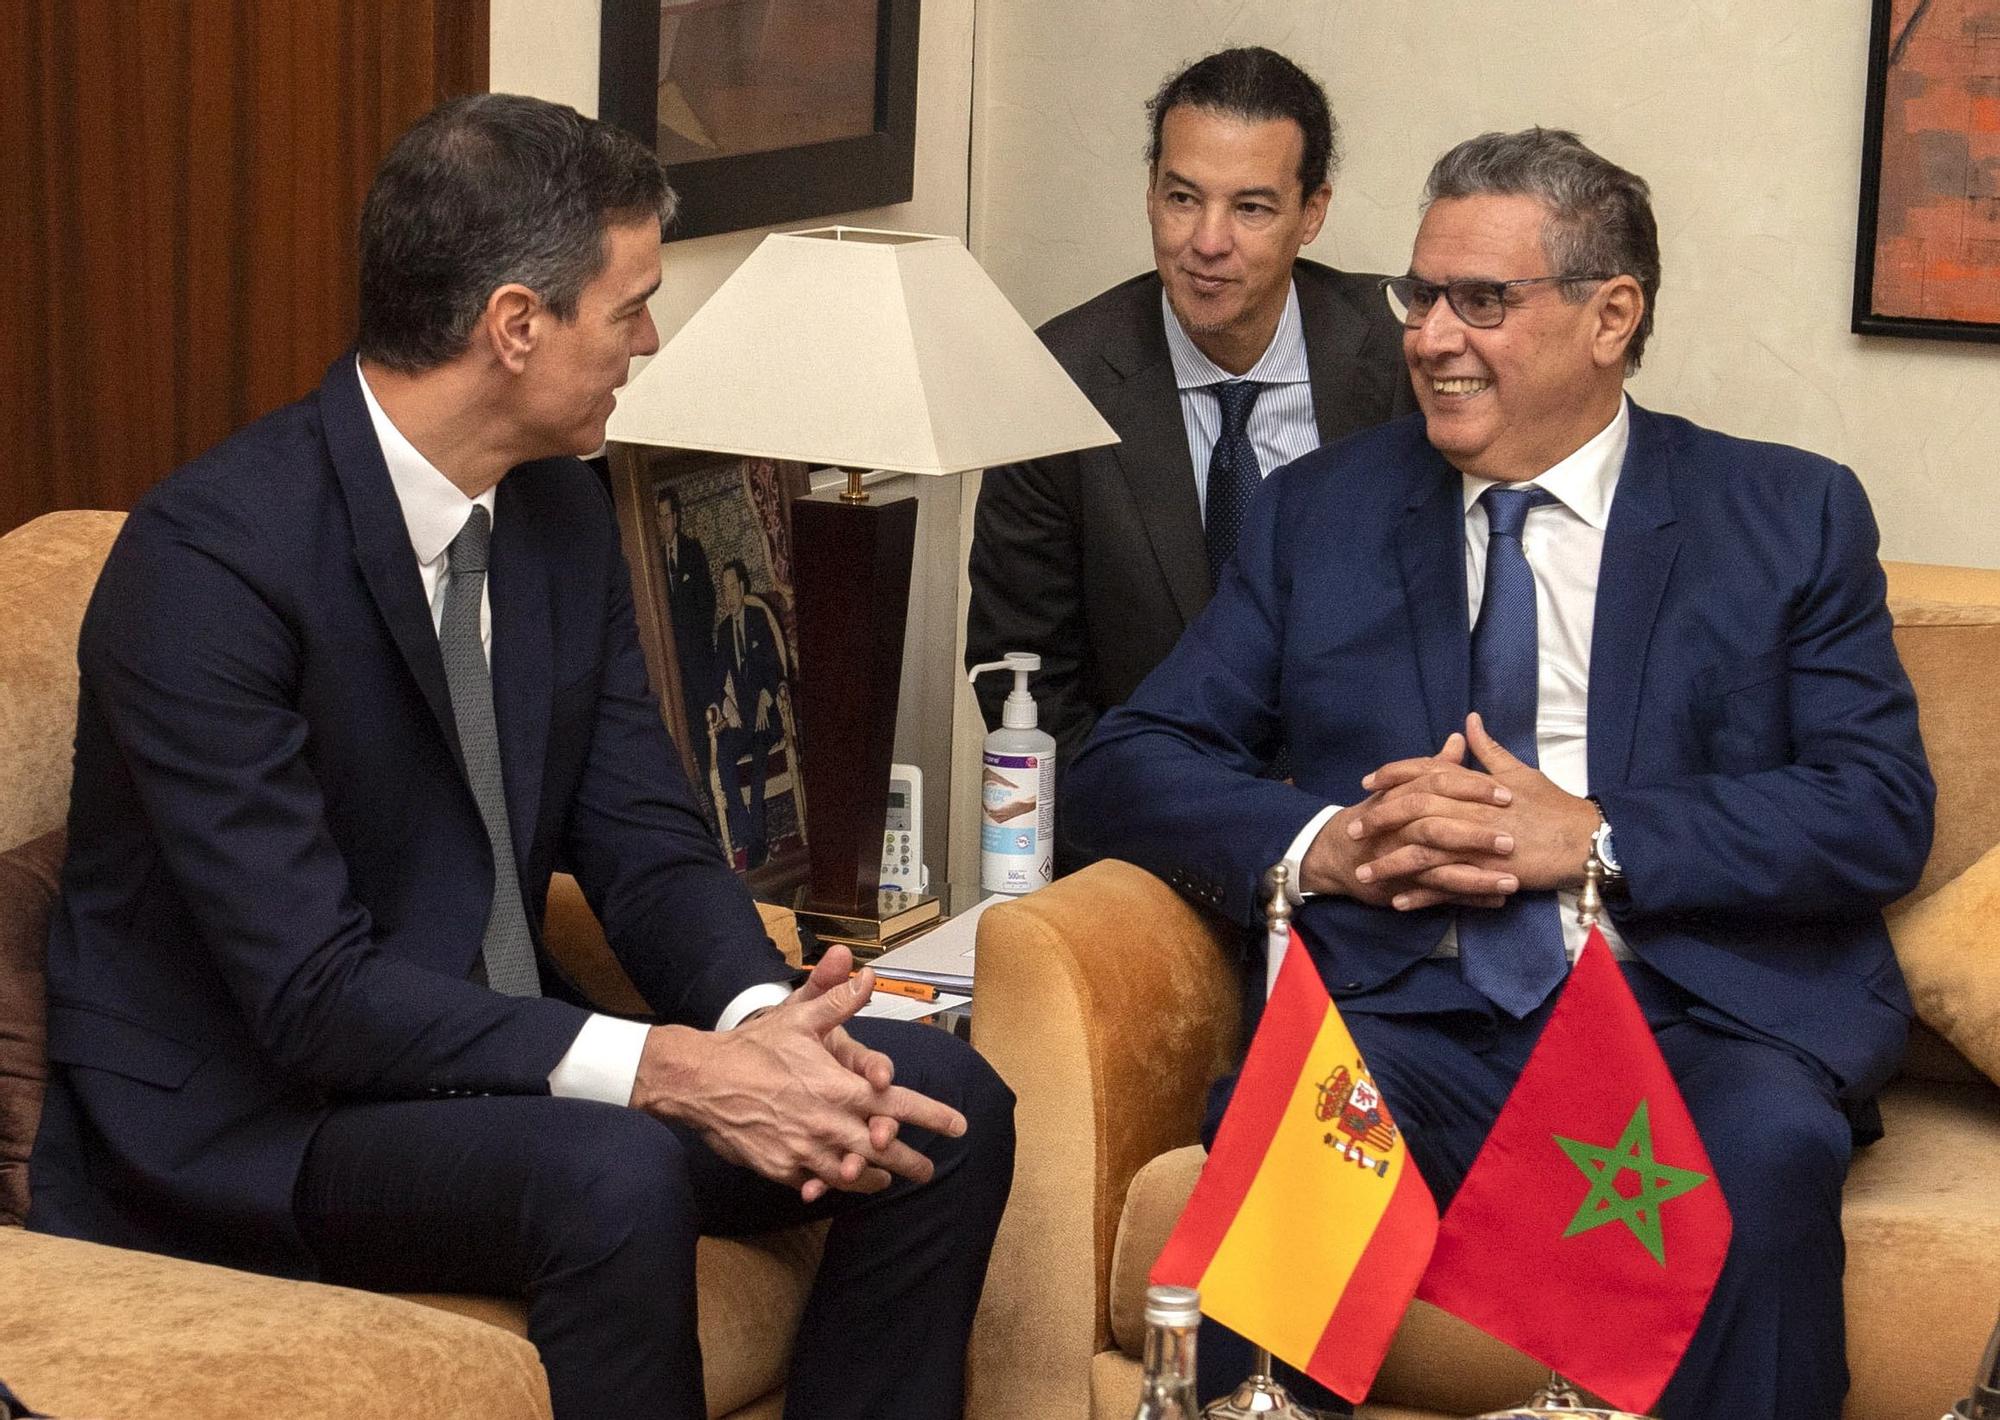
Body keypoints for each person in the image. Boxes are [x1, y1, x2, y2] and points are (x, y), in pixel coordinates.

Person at [28, 94, 1014, 1420]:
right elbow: (311, 993)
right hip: (272, 1114)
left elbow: (644, 836)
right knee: (613, 1175)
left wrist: (757, 1024)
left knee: (936, 1103)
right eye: (631, 307)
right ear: (513, 325)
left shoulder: (555, 507)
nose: (648, 342)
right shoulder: (211, 567)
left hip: (485, 1054)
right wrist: (662, 1066)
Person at [1066, 128, 1932, 1417]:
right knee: (1276, 1208)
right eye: (1419, 295)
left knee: (1761, 1165)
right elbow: (1124, 759)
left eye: (1482, 299)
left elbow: (1874, 810)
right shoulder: (1323, 515)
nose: (1428, 335)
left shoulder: (1785, 515)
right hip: (1408, 1012)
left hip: (1687, 1022)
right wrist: (1326, 843)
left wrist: (1591, 834)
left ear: (1609, 315)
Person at [964, 44, 1414, 852]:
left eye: (1251, 208)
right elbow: (1026, 678)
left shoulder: (1402, 362)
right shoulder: (1056, 382)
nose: (1207, 242)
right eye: (1182, 198)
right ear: (1149, 195)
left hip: (1373, 834)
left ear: (1312, 213)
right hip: (1151, 847)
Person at [710, 558, 787, 868]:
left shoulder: (757, 618)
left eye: (732, 588)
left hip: (766, 717)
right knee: (724, 757)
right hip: (743, 719)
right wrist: (724, 703)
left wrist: (766, 697)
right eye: (724, 590)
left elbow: (775, 667)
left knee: (757, 766)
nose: (728, 596)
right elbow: (717, 677)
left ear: (742, 588)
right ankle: (748, 835)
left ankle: (754, 845)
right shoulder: (724, 630)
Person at [657, 486, 717, 788]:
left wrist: (701, 642)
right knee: (693, 725)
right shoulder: (654, 561)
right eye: (660, 518)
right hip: (676, 661)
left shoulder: (693, 550)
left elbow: (708, 599)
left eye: (668, 517)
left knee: (711, 717)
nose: (664, 523)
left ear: (676, 518)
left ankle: (723, 777)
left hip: (700, 655)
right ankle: (708, 785)